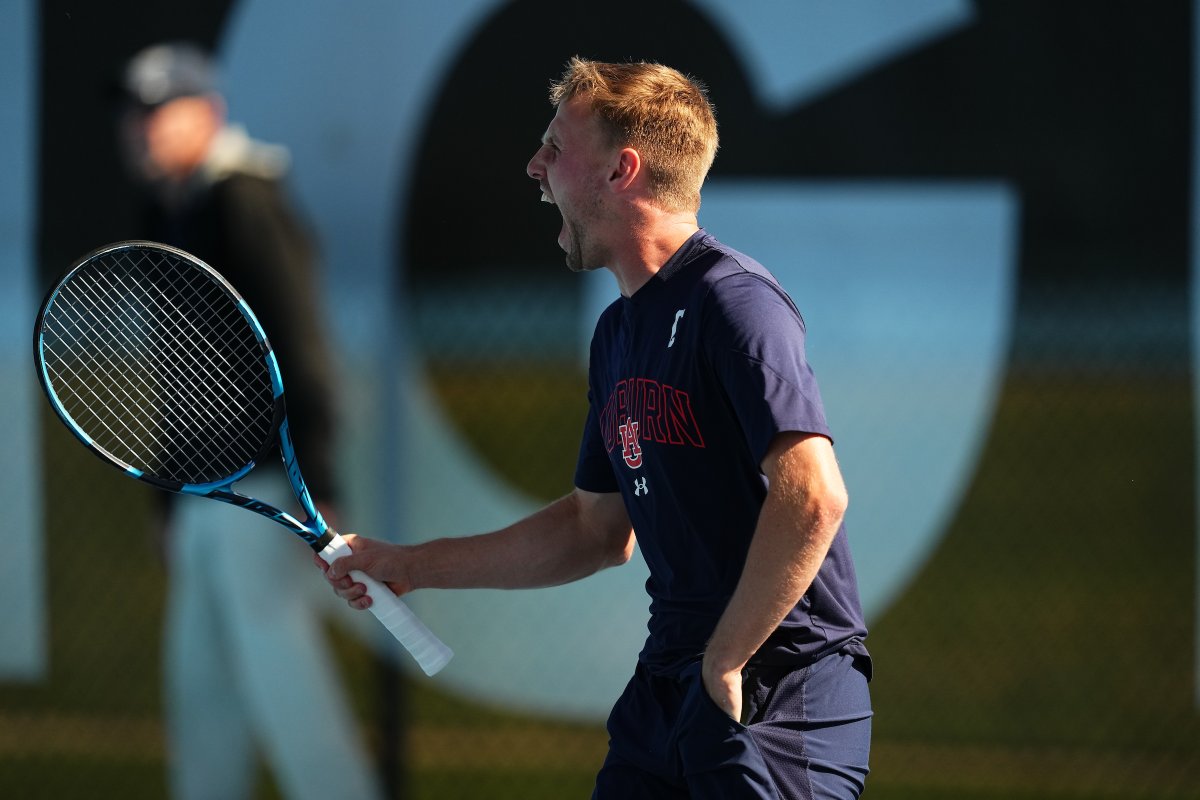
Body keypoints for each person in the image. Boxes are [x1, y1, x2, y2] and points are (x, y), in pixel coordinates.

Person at [320, 56, 873, 799]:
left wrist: (725, 663)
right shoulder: (617, 332)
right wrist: (411, 565)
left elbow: (811, 497)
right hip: (668, 685)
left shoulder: (736, 304)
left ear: (622, 171)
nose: (533, 166)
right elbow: (593, 530)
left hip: (778, 692)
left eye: (555, 146)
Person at [117, 42, 383, 800]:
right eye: (133, 114)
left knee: (289, 691)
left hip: (262, 492)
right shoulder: (164, 208)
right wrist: (166, 501)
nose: (141, 128)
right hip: (200, 500)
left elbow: (300, 350)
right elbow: (181, 377)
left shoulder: (247, 201)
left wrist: (318, 487)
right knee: (201, 699)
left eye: (158, 112)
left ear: (209, 115)